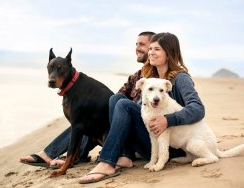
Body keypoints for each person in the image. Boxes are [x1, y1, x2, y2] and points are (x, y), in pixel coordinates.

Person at [78, 32, 205, 184]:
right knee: (117, 99)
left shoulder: (180, 78)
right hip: (151, 141)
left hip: (172, 145)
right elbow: (141, 110)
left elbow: (198, 108)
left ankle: (107, 162)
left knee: (123, 103)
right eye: (150, 48)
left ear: (169, 52)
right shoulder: (151, 76)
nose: (151, 52)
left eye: (157, 49)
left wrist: (168, 120)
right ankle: (124, 155)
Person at [19, 31, 157, 168]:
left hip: (138, 133)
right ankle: (69, 154)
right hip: (121, 129)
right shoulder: (135, 77)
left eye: (142, 44)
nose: (137, 48)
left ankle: (64, 155)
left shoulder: (158, 80)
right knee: (87, 118)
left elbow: (133, 108)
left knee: (83, 122)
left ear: (153, 47)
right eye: (136, 44)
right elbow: (113, 101)